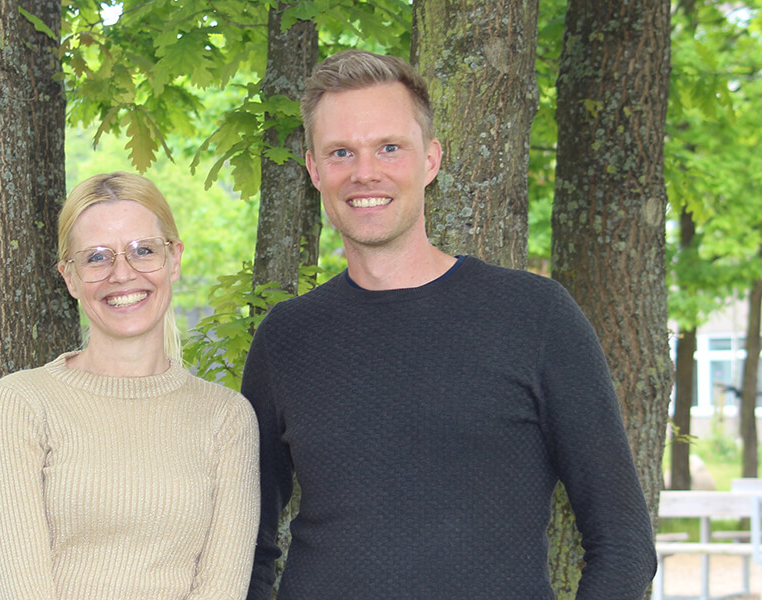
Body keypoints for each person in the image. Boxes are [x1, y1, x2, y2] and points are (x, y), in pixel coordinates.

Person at [242, 50, 657, 600]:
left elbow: (623, 541)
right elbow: (250, 546)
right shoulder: (287, 339)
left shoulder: (535, 317)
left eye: (389, 147)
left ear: (431, 159)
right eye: (341, 152)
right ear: (315, 170)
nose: (365, 172)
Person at [0, 172, 260, 600]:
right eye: (97, 257)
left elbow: (222, 588)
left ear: (174, 259)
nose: (122, 274)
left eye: (144, 251)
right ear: (69, 277)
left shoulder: (226, 417)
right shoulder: (21, 405)